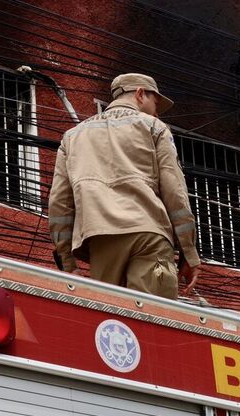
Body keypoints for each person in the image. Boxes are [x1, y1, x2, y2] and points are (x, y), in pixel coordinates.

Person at [48, 73, 200, 299]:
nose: (156, 112)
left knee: (114, 323)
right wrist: (189, 251)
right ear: (140, 94)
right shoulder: (154, 126)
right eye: (155, 102)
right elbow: (175, 190)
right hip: (148, 232)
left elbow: (59, 203)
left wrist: (68, 263)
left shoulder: (72, 137)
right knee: (153, 321)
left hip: (100, 240)